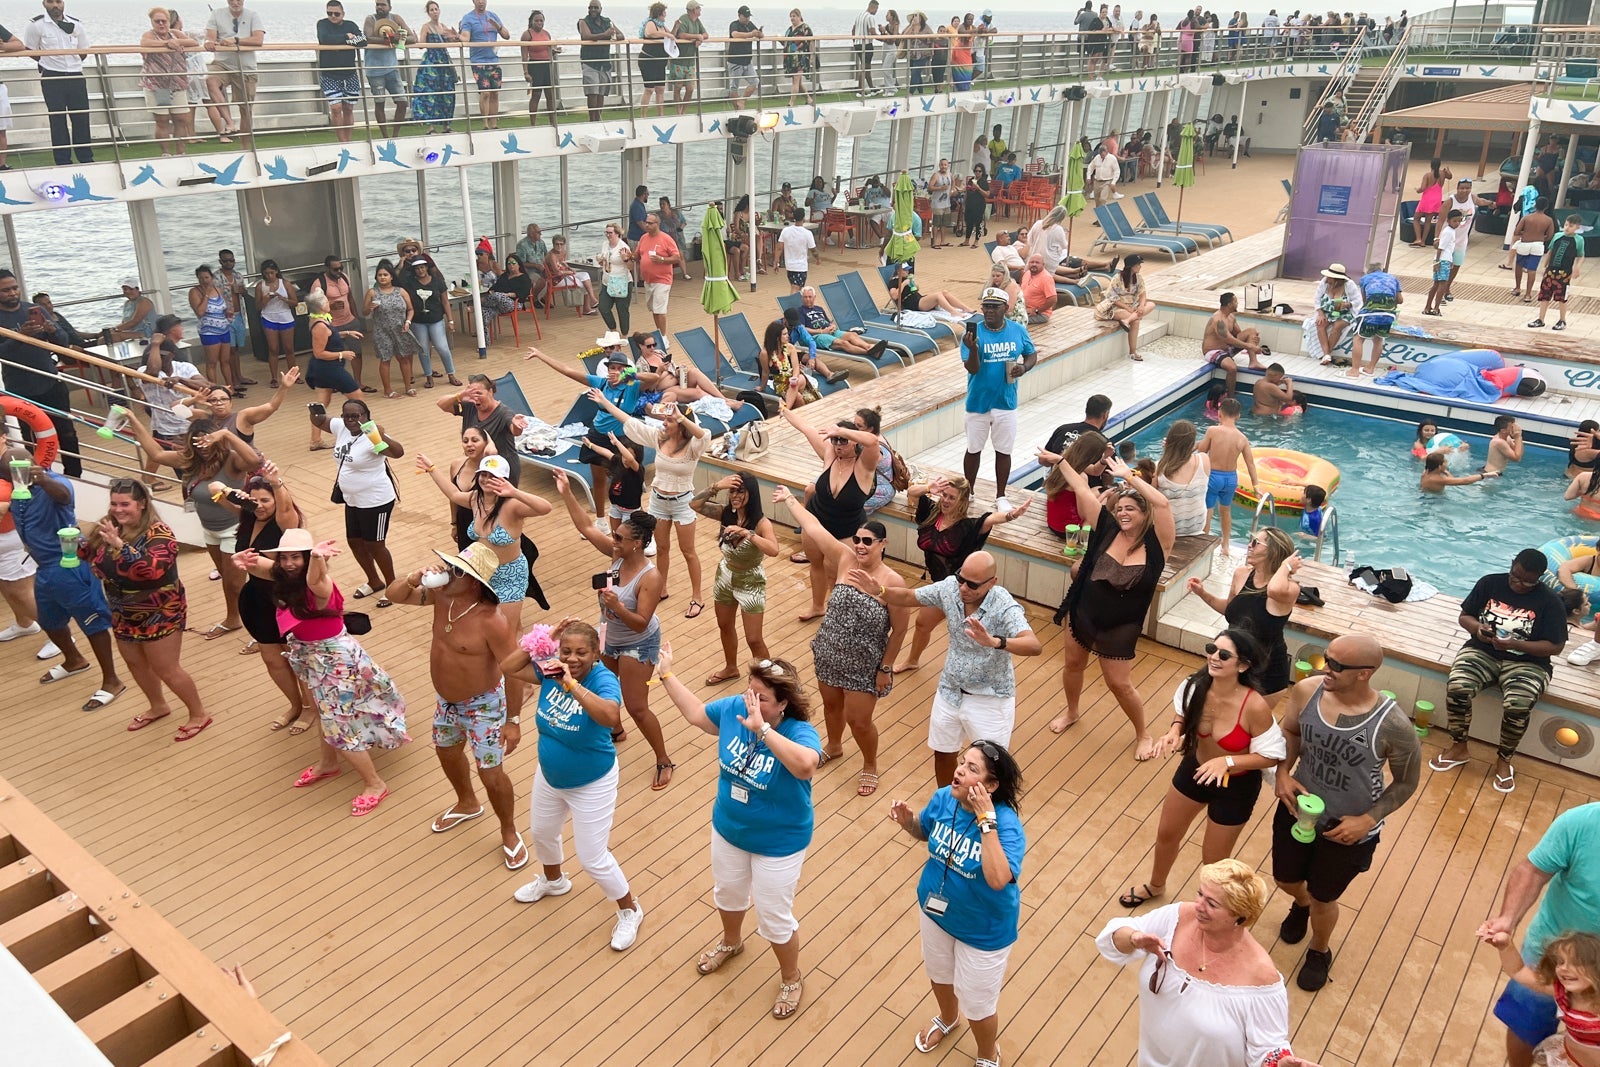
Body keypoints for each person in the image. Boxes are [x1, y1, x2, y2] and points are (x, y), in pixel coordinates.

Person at [656, 650, 821, 1018]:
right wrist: (667, 674)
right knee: (728, 892)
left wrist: (762, 729)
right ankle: (731, 942)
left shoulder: (798, 732)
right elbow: (698, 715)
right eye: (750, 691)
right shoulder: (736, 707)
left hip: (778, 843)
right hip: (729, 828)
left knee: (774, 916)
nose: (752, 702)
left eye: (762, 698)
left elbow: (806, 767)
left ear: (783, 704)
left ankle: (791, 977)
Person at [1273, 633, 1421, 991]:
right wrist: (1282, 773)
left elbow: (1406, 782)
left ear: (1364, 673)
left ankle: (1319, 950)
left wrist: (1367, 820)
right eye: (1326, 658)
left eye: (1336, 665)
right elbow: (1290, 730)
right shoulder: (1306, 691)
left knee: (1324, 898)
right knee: (1285, 880)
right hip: (1297, 810)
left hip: (1346, 829)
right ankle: (1301, 904)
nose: (1325, 668)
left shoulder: (1393, 725)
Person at [235, 529, 408, 816]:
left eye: (296, 557)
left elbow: (315, 579)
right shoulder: (284, 575)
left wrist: (316, 558)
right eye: (284, 558)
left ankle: (375, 784)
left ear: (307, 559)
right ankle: (328, 763)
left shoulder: (319, 582)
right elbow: (258, 566)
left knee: (337, 723)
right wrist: (238, 559)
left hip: (333, 659)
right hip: (312, 656)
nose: (289, 563)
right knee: (322, 709)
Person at [502, 616, 643, 946]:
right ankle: (554, 882)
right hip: (550, 776)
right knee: (542, 833)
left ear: (596, 653)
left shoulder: (603, 679)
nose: (572, 659)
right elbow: (509, 667)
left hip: (592, 782)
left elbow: (610, 717)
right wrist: (543, 638)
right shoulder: (550, 669)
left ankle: (630, 909)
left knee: (592, 857)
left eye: (581, 653)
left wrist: (571, 684)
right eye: (566, 651)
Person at [1122, 630, 1283, 907]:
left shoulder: (1255, 706)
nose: (1213, 657)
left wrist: (1227, 761)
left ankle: (1206, 907)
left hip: (1236, 787)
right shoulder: (1196, 686)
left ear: (1242, 666)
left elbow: (1271, 756)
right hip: (1195, 770)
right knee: (1167, 833)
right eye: (1211, 649)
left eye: (1224, 654)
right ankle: (1156, 885)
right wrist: (1175, 731)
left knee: (1213, 860)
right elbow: (1183, 713)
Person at [1097, 860, 1312, 1067]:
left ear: (1241, 918)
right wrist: (1134, 938)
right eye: (1200, 894)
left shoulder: (1261, 976)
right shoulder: (1178, 917)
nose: (1198, 906)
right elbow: (1113, 936)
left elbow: (1269, 1048)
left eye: (1211, 904)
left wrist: (1280, 1063)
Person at [889, 740, 1025, 1067]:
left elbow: (998, 878)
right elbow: (925, 831)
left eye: (972, 768)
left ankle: (987, 1053)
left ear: (991, 786)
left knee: (978, 1006)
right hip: (935, 913)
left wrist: (985, 820)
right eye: (962, 762)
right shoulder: (943, 799)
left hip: (983, 931)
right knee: (939, 974)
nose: (960, 770)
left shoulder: (1007, 825)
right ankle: (948, 1018)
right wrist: (908, 822)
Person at [389, 542, 525, 867]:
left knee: (491, 774)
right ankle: (467, 803)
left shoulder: (492, 620)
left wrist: (513, 720)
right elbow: (394, 595)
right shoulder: (440, 597)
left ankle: (509, 830)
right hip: (446, 701)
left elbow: (514, 670)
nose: (449, 573)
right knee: (447, 752)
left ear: (475, 582)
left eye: (458, 571)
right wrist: (414, 577)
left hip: (483, 705)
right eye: (451, 566)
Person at [774, 484, 908, 797]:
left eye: (868, 542)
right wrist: (791, 500)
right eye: (857, 540)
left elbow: (900, 630)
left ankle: (870, 764)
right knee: (831, 707)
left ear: (883, 544)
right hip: (829, 651)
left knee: (859, 721)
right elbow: (814, 527)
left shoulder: (893, 582)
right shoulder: (845, 560)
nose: (860, 546)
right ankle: (834, 746)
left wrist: (885, 667)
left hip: (865, 664)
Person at [551, 472, 677, 790]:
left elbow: (641, 621)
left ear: (637, 544)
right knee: (603, 689)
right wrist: (566, 492)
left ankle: (664, 759)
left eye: (619, 538)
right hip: (608, 636)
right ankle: (616, 730)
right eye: (615, 536)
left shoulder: (651, 578)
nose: (614, 540)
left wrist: (617, 606)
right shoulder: (617, 555)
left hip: (638, 643)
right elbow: (586, 527)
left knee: (637, 706)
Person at [1048, 454, 1175, 758]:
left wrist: (1129, 478)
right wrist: (1060, 460)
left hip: (1121, 625)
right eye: (1119, 509)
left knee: (1119, 684)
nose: (1122, 513)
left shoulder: (1158, 545)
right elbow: (1081, 488)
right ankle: (1072, 711)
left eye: (1130, 509)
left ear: (1144, 513)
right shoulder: (1107, 529)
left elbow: (1163, 504)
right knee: (1073, 665)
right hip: (1084, 611)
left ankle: (1143, 733)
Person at [878, 551, 1041, 784]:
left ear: (991, 583)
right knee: (943, 753)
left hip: (990, 699)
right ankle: (948, 800)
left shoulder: (1003, 604)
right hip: (950, 691)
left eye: (972, 584)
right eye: (960, 579)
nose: (963, 588)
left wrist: (995, 642)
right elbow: (910, 596)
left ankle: (983, 807)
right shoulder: (949, 588)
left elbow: (1033, 645)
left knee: (989, 767)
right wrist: (880, 590)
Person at [81, 479, 211, 740]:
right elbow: (89, 554)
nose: (118, 509)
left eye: (125, 504)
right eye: (114, 503)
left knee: (166, 668)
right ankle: (158, 705)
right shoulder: (108, 526)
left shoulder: (159, 533)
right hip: (122, 611)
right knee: (135, 662)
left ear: (141, 504)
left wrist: (120, 546)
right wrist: (75, 540)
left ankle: (199, 714)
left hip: (160, 610)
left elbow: (152, 570)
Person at [1430, 550, 1568, 794]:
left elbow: (1555, 647)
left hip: (1529, 663)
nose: (1519, 584)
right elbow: (1465, 617)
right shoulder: (1489, 583)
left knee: (1519, 704)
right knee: (1458, 686)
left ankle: (1504, 760)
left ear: (1539, 578)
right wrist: (1478, 629)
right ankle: (1459, 746)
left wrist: (1516, 644)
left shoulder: (1551, 602)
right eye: (1515, 576)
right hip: (1482, 651)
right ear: (1512, 565)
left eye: (1527, 581)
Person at [1479, 802, 1600, 1067]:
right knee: (1526, 1021)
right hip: (1554, 952)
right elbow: (1532, 871)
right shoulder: (1580, 821)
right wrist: (1507, 921)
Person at [120, 413, 258, 639]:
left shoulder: (231, 460)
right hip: (210, 531)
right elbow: (155, 454)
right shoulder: (189, 461)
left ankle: (253, 625)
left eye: (207, 441)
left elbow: (254, 461)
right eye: (197, 443)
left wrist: (226, 434)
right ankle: (235, 619)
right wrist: (133, 419)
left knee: (235, 584)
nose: (203, 448)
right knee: (227, 578)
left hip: (235, 529)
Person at [13, 460, 124, 711]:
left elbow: (63, 495)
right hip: (44, 566)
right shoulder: (19, 489)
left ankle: (112, 681)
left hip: (70, 563)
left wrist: (41, 479)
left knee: (92, 622)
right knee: (49, 620)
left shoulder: (55, 482)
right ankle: (74, 660)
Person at [592, 389, 710, 618]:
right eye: (664, 419)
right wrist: (604, 401)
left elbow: (703, 435)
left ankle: (697, 597)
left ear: (680, 424)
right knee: (662, 548)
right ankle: (661, 588)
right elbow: (630, 422)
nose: (663, 423)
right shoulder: (659, 438)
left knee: (688, 551)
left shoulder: (693, 446)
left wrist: (681, 416)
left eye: (669, 420)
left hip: (682, 502)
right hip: (658, 502)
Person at [226, 462, 312, 729]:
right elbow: (214, 488)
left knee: (296, 658)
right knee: (272, 659)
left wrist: (276, 482)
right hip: (256, 599)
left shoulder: (285, 524)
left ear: (276, 499)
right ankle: (294, 705)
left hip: (285, 600)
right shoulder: (248, 520)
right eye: (255, 501)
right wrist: (236, 496)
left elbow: (285, 510)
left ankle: (309, 709)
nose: (260, 506)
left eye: (266, 500)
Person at [779, 406, 880, 618]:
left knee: (840, 576)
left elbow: (872, 441)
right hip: (816, 522)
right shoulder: (830, 454)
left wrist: (841, 431)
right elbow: (806, 428)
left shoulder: (864, 465)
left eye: (843, 440)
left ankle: (837, 615)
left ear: (854, 441)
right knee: (816, 565)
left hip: (846, 529)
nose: (838, 445)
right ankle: (818, 606)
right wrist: (785, 409)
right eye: (834, 440)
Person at [1188, 527, 1301, 699]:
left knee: (1248, 717)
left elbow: (1273, 590)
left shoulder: (1289, 588)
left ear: (1273, 551)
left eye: (1256, 542)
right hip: (1232, 664)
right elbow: (1229, 610)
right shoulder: (1241, 574)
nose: (1249, 545)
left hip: (1266, 673)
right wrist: (1202, 593)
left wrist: (1286, 566)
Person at [527, 345, 639, 517]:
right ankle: (600, 520)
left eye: (620, 369)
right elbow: (567, 371)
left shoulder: (632, 385)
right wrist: (541, 355)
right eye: (612, 368)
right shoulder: (600, 383)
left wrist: (627, 375)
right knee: (599, 480)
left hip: (622, 439)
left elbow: (654, 377)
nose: (615, 371)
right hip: (598, 435)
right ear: (607, 369)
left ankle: (630, 517)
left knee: (625, 481)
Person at [311, 398, 403, 603]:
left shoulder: (372, 435)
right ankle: (374, 581)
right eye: (347, 416)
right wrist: (314, 410)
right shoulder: (341, 427)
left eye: (356, 416)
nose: (351, 420)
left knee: (375, 545)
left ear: (366, 417)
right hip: (352, 499)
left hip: (376, 501)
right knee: (354, 541)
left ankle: (392, 587)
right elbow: (320, 421)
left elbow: (398, 452)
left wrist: (379, 435)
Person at [690, 473, 779, 686]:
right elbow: (694, 504)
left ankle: (772, 683)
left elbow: (774, 550)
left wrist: (748, 533)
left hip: (751, 581)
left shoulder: (761, 523)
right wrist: (717, 486)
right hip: (725, 577)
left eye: (740, 491)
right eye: (732, 491)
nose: (735, 496)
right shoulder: (724, 513)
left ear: (751, 493)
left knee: (754, 639)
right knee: (724, 625)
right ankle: (731, 667)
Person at [961, 288, 1037, 513]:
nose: (989, 311)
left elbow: (1031, 354)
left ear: (1006, 308)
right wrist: (973, 349)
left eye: (994, 307)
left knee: (1003, 451)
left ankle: (1001, 495)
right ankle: (969, 492)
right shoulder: (972, 334)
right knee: (973, 450)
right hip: (978, 403)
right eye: (986, 306)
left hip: (1006, 402)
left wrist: (1024, 367)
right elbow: (972, 368)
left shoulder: (1017, 330)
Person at [1481, 929, 1600, 1067]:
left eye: (1576, 963)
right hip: (1572, 1057)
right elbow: (1519, 971)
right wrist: (1505, 947)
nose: (1564, 968)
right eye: (1560, 962)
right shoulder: (1563, 992)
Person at [24, 0, 93, 165]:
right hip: (52, 77)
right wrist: (49, 62)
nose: (55, 5)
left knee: (81, 118)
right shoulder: (36, 25)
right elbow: (30, 50)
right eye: (51, 1)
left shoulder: (76, 24)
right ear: (44, 4)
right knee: (57, 120)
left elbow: (84, 51)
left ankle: (86, 158)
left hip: (75, 76)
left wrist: (71, 63)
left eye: (58, 1)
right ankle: (63, 160)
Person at [304, 290, 366, 450]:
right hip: (329, 369)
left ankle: (315, 441)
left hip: (324, 369)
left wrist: (346, 333)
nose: (329, 303)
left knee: (321, 405)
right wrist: (342, 354)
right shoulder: (319, 326)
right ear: (320, 306)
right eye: (326, 301)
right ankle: (364, 433)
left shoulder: (320, 320)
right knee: (358, 398)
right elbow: (319, 353)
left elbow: (330, 335)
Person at [1197, 398, 1257, 555]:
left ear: (1219, 413)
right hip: (1230, 479)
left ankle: (1204, 545)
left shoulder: (1213, 430)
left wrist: (1197, 444)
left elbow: (1202, 450)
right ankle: (1226, 545)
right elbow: (1250, 464)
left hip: (1213, 476)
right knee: (1226, 510)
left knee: (1208, 510)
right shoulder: (1242, 438)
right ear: (1238, 416)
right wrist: (1256, 486)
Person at [140, 8, 195, 157]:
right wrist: (167, 44)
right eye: (157, 21)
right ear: (152, 22)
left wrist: (176, 42)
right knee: (162, 120)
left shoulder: (176, 34)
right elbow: (145, 43)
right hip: (157, 85)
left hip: (177, 83)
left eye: (163, 21)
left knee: (181, 119)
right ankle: (166, 153)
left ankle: (180, 152)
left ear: (169, 22)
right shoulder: (149, 35)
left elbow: (193, 42)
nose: (161, 24)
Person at [362, 260, 419, 398]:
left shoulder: (401, 291)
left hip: (400, 328)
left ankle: (408, 387)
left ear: (391, 277)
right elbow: (364, 312)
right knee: (385, 359)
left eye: (385, 275)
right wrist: (369, 307)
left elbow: (411, 309)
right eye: (379, 275)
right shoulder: (372, 293)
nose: (382, 277)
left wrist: (408, 321)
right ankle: (388, 390)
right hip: (382, 331)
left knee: (404, 358)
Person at [311, 255, 367, 392]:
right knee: (333, 357)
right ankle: (332, 384)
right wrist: (330, 306)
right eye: (335, 269)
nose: (339, 271)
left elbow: (350, 297)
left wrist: (356, 316)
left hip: (350, 321)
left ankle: (357, 382)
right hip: (332, 325)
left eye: (341, 268)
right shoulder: (319, 284)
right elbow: (314, 308)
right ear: (327, 268)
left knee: (357, 353)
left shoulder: (345, 278)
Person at [402, 258, 459, 386]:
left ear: (427, 267)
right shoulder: (409, 283)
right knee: (423, 349)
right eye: (417, 268)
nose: (420, 270)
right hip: (418, 321)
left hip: (436, 319)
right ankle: (428, 376)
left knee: (442, 347)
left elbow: (445, 302)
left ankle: (451, 374)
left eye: (422, 267)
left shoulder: (438, 282)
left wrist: (450, 320)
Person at [315, 1, 366, 143]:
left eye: (336, 14)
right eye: (329, 13)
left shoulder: (351, 25)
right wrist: (347, 38)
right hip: (329, 73)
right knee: (336, 108)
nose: (333, 16)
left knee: (348, 108)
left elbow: (363, 41)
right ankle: (342, 142)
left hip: (349, 73)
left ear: (343, 14)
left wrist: (344, 41)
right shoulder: (322, 24)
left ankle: (348, 141)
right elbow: (324, 39)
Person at [794, 286, 889, 361]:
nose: (808, 299)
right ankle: (868, 352)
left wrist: (832, 326)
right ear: (802, 298)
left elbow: (828, 322)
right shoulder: (799, 311)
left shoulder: (819, 309)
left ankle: (869, 347)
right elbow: (802, 329)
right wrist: (821, 331)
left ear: (814, 297)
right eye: (805, 297)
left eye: (810, 297)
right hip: (817, 336)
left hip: (830, 331)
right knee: (843, 343)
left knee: (852, 335)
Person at [1201, 292, 1267, 395]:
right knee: (1232, 368)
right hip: (1213, 351)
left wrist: (1252, 341)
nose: (1237, 303)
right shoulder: (1218, 320)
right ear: (1229, 304)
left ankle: (1253, 362)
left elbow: (1239, 335)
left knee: (1251, 331)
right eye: (1235, 301)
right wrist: (1250, 346)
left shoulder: (1231, 317)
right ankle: (1231, 397)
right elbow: (1228, 339)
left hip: (1227, 348)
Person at [361, 0, 410, 137]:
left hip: (392, 68)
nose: (379, 7)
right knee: (379, 103)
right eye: (377, 4)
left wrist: (399, 39)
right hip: (374, 70)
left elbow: (412, 37)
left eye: (383, 4)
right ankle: (385, 137)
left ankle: (395, 135)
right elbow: (368, 38)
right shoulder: (370, 19)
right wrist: (391, 39)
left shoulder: (395, 18)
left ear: (390, 7)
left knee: (402, 102)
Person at [1153, 419, 1210, 536]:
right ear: (1192, 442)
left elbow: (1151, 501)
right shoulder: (1204, 460)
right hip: (1197, 526)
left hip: (1169, 530)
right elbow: (1186, 456)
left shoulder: (1158, 467)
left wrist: (1168, 450)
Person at [1094, 255, 1156, 360]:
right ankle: (1133, 352)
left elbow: (1142, 294)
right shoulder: (1117, 278)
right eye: (1138, 264)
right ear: (1131, 266)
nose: (1140, 266)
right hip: (1116, 307)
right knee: (1136, 321)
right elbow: (1113, 298)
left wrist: (1141, 306)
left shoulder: (1138, 277)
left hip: (1132, 305)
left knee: (1151, 304)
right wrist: (1127, 308)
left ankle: (1127, 320)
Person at [189, 265, 237, 394]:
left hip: (224, 328)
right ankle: (213, 390)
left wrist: (228, 313)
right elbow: (200, 312)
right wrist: (206, 295)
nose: (204, 281)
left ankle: (230, 387)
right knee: (212, 362)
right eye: (201, 278)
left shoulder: (218, 289)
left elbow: (223, 307)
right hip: (209, 331)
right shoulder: (194, 292)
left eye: (206, 277)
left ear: (212, 277)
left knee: (225, 361)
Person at [1348, 262, 1402, 377]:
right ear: (1382, 270)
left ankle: (1354, 370)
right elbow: (1400, 300)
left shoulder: (1365, 279)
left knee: (1358, 339)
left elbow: (1365, 300)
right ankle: (1370, 368)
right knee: (1378, 340)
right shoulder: (1393, 278)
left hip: (1370, 313)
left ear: (1368, 271)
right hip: (1389, 315)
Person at [1531, 214, 1584, 331]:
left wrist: (1577, 268)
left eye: (1571, 226)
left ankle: (1562, 320)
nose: (1567, 228)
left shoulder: (1579, 240)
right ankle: (1541, 319)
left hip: (1564, 273)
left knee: (1562, 297)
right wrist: (1545, 266)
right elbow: (1550, 251)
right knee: (1544, 295)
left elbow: (1581, 255)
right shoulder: (1557, 236)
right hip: (1550, 271)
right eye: (1566, 225)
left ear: (1577, 227)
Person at [461, 0, 509, 128]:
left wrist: (498, 27)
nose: (481, 2)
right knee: (485, 92)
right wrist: (457, 36)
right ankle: (485, 124)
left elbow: (506, 35)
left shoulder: (493, 15)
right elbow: (465, 37)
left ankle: (494, 124)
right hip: (478, 61)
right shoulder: (468, 18)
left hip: (493, 60)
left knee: (495, 93)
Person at [635, 211, 680, 346]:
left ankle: (664, 337)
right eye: (646, 222)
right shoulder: (643, 238)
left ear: (657, 224)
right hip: (649, 280)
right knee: (654, 309)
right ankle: (659, 333)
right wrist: (628, 256)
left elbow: (677, 257)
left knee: (660, 309)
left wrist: (662, 259)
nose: (647, 225)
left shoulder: (666, 239)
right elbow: (637, 255)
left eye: (650, 223)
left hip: (663, 279)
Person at [413, 1, 459, 132]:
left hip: (444, 63)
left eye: (436, 9)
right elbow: (422, 45)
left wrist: (455, 36)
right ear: (428, 13)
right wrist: (415, 40)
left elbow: (451, 41)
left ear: (439, 10)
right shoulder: (426, 27)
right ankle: (430, 126)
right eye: (432, 10)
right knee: (429, 93)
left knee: (447, 93)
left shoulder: (443, 27)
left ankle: (446, 125)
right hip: (431, 61)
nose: (434, 12)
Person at [252, 260, 299, 383]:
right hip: (269, 317)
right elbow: (257, 307)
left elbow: (295, 302)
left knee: (289, 348)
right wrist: (265, 300)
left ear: (276, 272)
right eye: (266, 273)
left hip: (285, 317)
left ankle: (294, 375)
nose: (269, 276)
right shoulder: (260, 286)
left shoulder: (285, 283)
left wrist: (284, 299)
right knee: (273, 349)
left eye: (272, 273)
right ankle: (274, 377)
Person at [577, 0, 624, 120]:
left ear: (600, 9)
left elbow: (621, 35)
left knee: (601, 93)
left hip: (604, 62)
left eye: (595, 8)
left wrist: (612, 36)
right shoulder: (583, 22)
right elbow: (586, 36)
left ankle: (598, 119)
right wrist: (605, 34)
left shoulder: (607, 21)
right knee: (592, 92)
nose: (593, 10)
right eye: (590, 7)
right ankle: (592, 120)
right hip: (590, 62)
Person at [1511, 196, 1556, 304]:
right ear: (1546, 207)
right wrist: (1541, 237)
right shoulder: (1548, 220)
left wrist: (1525, 233)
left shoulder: (1527, 218)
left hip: (1525, 243)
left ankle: (1517, 288)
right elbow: (1550, 236)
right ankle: (1528, 294)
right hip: (1538, 245)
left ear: (1535, 205)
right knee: (1532, 269)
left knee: (1519, 266)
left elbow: (1516, 231)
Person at [667, 2, 708, 113]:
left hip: (690, 62)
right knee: (678, 87)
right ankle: (678, 112)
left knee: (690, 89)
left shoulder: (697, 21)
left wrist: (699, 38)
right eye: (698, 8)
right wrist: (697, 36)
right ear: (693, 10)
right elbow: (681, 35)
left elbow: (706, 34)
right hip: (679, 60)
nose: (700, 10)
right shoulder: (683, 19)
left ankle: (683, 111)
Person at [1423, 207, 1465, 317]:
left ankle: (1428, 307)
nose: (1457, 223)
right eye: (1454, 221)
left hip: (1445, 259)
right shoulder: (1448, 232)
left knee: (1436, 284)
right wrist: (1437, 262)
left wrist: (1450, 260)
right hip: (1443, 260)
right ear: (1448, 220)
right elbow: (1440, 248)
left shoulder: (1450, 231)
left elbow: (1448, 249)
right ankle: (1436, 308)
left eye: (1459, 221)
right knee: (1442, 284)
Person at [637, 2, 672, 118]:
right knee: (649, 89)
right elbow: (650, 33)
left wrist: (675, 28)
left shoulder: (662, 26)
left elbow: (671, 35)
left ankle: (660, 115)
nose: (665, 14)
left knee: (660, 89)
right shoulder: (651, 23)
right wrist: (667, 35)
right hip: (648, 60)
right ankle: (643, 116)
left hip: (660, 61)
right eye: (664, 12)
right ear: (659, 13)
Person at [726, 4, 763, 107]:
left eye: (748, 16)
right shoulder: (734, 24)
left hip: (747, 61)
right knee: (734, 87)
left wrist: (759, 33)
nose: (747, 19)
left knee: (755, 81)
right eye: (745, 16)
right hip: (735, 61)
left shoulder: (750, 24)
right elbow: (734, 34)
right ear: (739, 15)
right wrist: (751, 34)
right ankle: (736, 109)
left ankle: (742, 101)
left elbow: (759, 34)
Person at [783, 8, 816, 105]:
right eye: (791, 16)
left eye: (794, 16)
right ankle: (808, 99)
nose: (792, 18)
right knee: (798, 81)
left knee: (796, 80)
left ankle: (791, 102)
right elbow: (786, 42)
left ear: (799, 16)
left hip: (800, 58)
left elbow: (811, 42)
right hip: (790, 58)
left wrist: (812, 56)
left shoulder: (805, 28)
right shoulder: (790, 29)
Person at [778, 209, 816, 293]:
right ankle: (792, 301)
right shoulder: (807, 233)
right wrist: (818, 258)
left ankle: (797, 301)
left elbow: (779, 248)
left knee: (797, 288)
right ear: (804, 218)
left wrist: (775, 262)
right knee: (796, 288)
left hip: (789, 266)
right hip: (801, 266)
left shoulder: (785, 231)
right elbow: (813, 249)